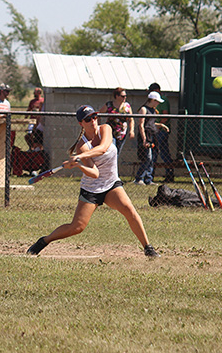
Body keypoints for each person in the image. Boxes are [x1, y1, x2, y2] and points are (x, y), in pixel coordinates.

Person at [26, 105, 159, 258]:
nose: (93, 121)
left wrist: (79, 157)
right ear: (81, 123)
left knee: (129, 210)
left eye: (94, 116)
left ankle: (148, 248)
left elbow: (103, 148)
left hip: (111, 185)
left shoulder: (106, 129)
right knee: (77, 227)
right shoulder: (81, 146)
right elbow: (94, 173)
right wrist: (78, 164)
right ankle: (44, 240)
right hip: (92, 189)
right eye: (88, 119)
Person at [134, 91, 168, 186]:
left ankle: (148, 179)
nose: (157, 104)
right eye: (157, 101)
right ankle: (139, 178)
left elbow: (151, 123)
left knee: (152, 158)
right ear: (152, 100)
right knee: (147, 158)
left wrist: (160, 125)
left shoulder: (153, 110)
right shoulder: (143, 109)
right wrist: (144, 139)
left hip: (153, 135)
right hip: (146, 135)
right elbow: (141, 125)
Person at [99, 87, 134, 158]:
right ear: (117, 96)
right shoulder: (109, 105)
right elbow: (99, 114)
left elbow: (131, 119)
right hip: (110, 131)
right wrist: (99, 126)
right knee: (112, 149)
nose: (125, 98)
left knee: (117, 151)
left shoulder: (127, 106)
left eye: (125, 96)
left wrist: (131, 130)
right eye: (123, 96)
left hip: (121, 133)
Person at [149, 82, 174, 182]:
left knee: (155, 152)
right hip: (157, 129)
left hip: (161, 131)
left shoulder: (163, 100)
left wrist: (157, 128)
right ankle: (168, 174)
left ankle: (150, 176)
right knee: (164, 153)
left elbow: (165, 116)